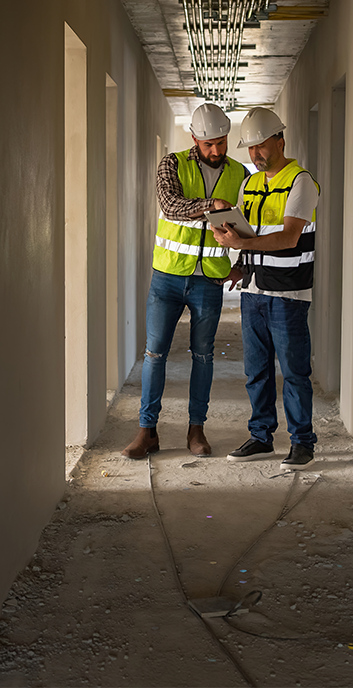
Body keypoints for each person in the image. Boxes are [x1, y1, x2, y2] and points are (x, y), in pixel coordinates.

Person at [122, 103, 247, 460]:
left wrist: (236, 264)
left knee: (204, 356)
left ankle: (196, 430)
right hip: (168, 277)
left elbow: (245, 223)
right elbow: (170, 204)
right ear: (194, 138)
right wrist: (212, 204)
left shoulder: (238, 172)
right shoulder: (172, 163)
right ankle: (147, 432)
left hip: (210, 279)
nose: (216, 150)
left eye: (221, 142)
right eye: (209, 143)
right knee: (155, 353)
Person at [212, 107, 320, 471]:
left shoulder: (301, 181)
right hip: (253, 290)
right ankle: (261, 437)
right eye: (251, 148)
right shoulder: (250, 184)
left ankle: (303, 442)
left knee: (293, 371)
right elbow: (248, 233)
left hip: (288, 293)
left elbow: (290, 237)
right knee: (256, 371)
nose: (256, 154)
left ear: (280, 140)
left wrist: (243, 246)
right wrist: (238, 262)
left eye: (261, 145)